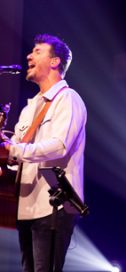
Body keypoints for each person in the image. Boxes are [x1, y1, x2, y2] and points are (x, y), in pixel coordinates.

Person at [0, 33, 87, 272]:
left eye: (37, 51)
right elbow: (17, 156)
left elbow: (59, 146)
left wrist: (13, 149)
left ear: (55, 61)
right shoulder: (31, 107)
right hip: (25, 206)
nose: (29, 55)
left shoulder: (68, 99)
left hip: (53, 207)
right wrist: (6, 155)